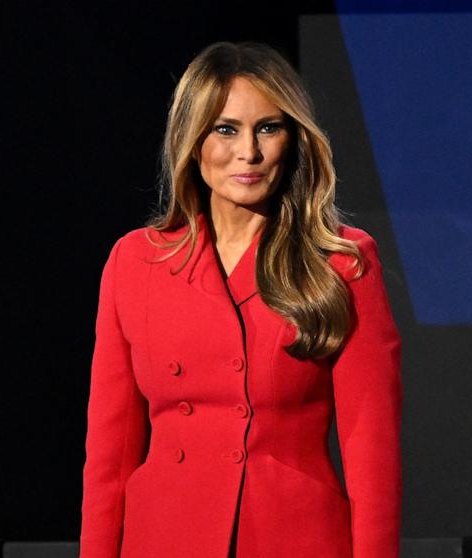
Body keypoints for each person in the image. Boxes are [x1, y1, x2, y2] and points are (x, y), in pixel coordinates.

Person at [79, 41, 402, 558]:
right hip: (164, 537)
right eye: (225, 129)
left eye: (268, 128)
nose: (248, 152)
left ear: (293, 139)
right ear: (192, 139)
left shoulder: (342, 261)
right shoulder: (135, 262)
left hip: (292, 538)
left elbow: (371, 448)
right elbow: (109, 455)